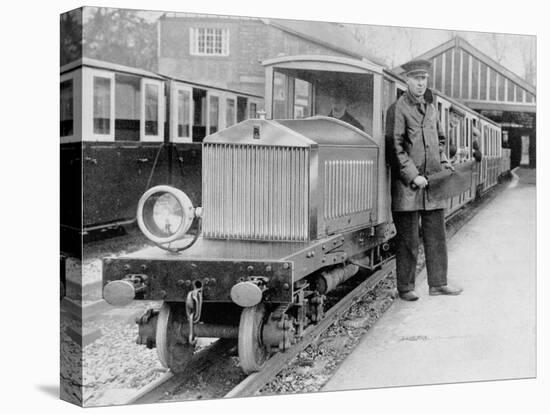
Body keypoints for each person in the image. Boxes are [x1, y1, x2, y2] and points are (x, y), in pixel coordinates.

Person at [387, 59, 463, 301]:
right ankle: (406, 287)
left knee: (436, 236)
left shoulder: (431, 109)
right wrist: (413, 176)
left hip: (432, 184)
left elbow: (440, 140)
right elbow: (394, 147)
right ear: (407, 80)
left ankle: (438, 283)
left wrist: (443, 160)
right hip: (407, 187)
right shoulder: (397, 109)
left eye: (424, 79)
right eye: (416, 79)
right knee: (408, 240)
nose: (421, 84)